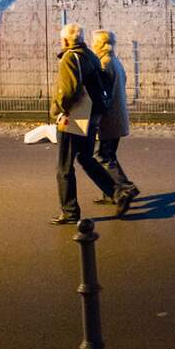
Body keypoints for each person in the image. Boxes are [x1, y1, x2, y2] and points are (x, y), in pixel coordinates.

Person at [49, 23, 135, 225]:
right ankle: (117, 192)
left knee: (64, 167)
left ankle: (70, 212)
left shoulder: (71, 57)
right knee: (86, 158)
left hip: (73, 117)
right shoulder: (90, 55)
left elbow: (68, 91)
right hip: (90, 116)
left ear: (66, 40)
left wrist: (58, 110)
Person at [91, 30, 138, 205]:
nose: (92, 44)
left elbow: (103, 95)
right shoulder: (115, 61)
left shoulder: (104, 63)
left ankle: (126, 187)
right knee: (109, 155)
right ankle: (111, 192)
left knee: (103, 156)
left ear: (99, 44)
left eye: (94, 42)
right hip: (118, 117)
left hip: (109, 119)